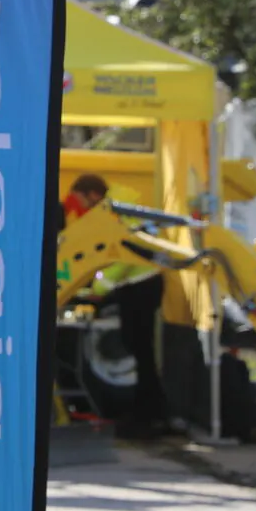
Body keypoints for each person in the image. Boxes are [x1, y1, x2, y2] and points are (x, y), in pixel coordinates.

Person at [63, 173, 172, 438]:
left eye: (82, 202)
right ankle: (151, 413)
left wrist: (98, 288)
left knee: (140, 350)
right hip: (141, 284)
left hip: (140, 286)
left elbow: (122, 256)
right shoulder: (118, 206)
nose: (84, 210)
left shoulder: (113, 212)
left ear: (92, 195)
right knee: (139, 349)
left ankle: (150, 416)